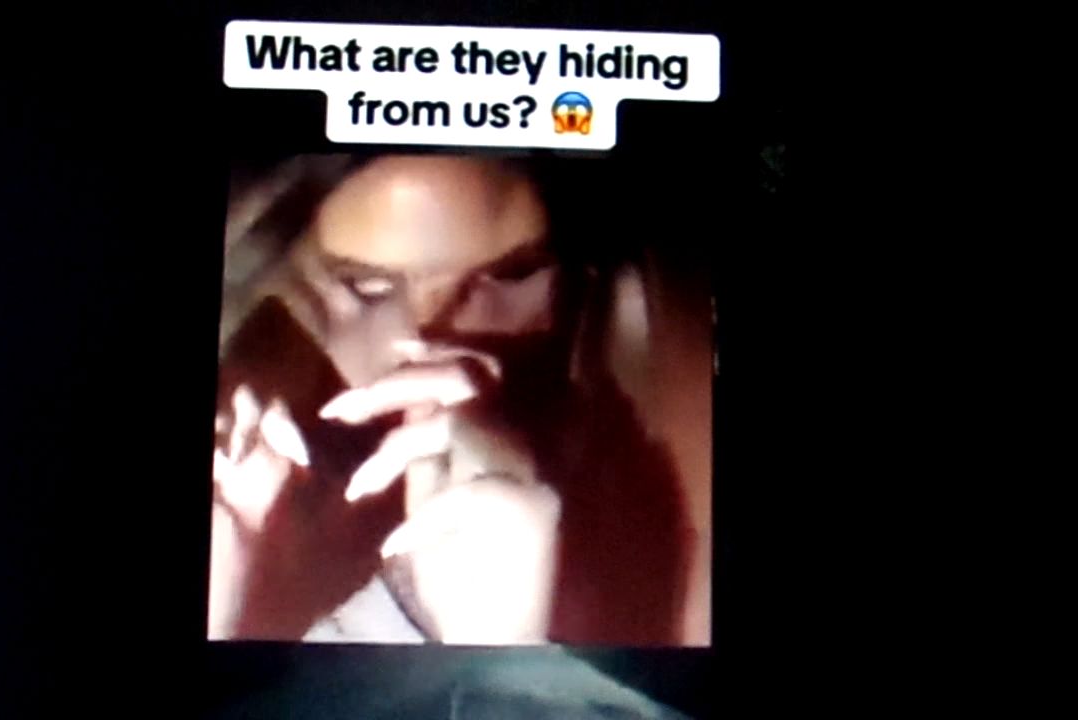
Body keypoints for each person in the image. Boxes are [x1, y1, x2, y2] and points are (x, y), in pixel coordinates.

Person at [208, 153, 708, 646]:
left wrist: (499, 642)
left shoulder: (642, 491)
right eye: (368, 287)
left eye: (509, 275)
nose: (425, 335)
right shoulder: (246, 466)